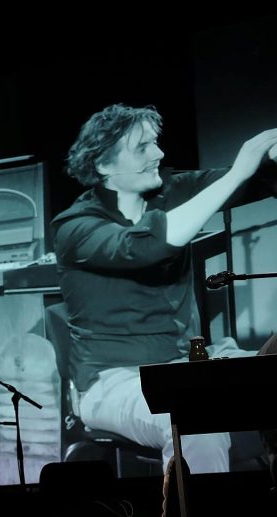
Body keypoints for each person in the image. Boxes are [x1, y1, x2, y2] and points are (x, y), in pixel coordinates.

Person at [52, 104, 277, 473]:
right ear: (104, 165)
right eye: (142, 147)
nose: (158, 154)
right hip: (113, 382)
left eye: (155, 143)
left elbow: (252, 181)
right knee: (194, 419)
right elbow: (146, 246)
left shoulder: (171, 190)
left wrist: (270, 158)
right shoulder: (75, 228)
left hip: (190, 366)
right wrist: (238, 171)